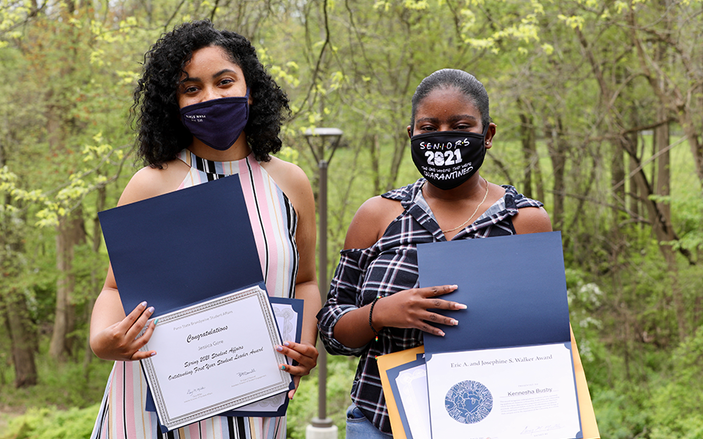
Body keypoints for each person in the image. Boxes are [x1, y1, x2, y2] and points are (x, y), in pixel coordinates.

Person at [89, 20, 319, 439]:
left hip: (257, 403)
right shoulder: (152, 183)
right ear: (173, 103)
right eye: (191, 88)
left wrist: (303, 347)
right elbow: (113, 289)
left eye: (224, 81)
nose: (210, 97)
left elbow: (304, 281)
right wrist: (103, 340)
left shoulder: (290, 183)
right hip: (153, 407)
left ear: (251, 88)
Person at [316, 68, 552, 437]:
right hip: (380, 422)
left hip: (489, 423)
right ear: (411, 135)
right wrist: (382, 312)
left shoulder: (525, 220)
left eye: (460, 125)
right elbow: (332, 331)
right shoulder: (378, 214)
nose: (444, 138)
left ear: (487, 134)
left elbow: (546, 341)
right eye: (429, 128)